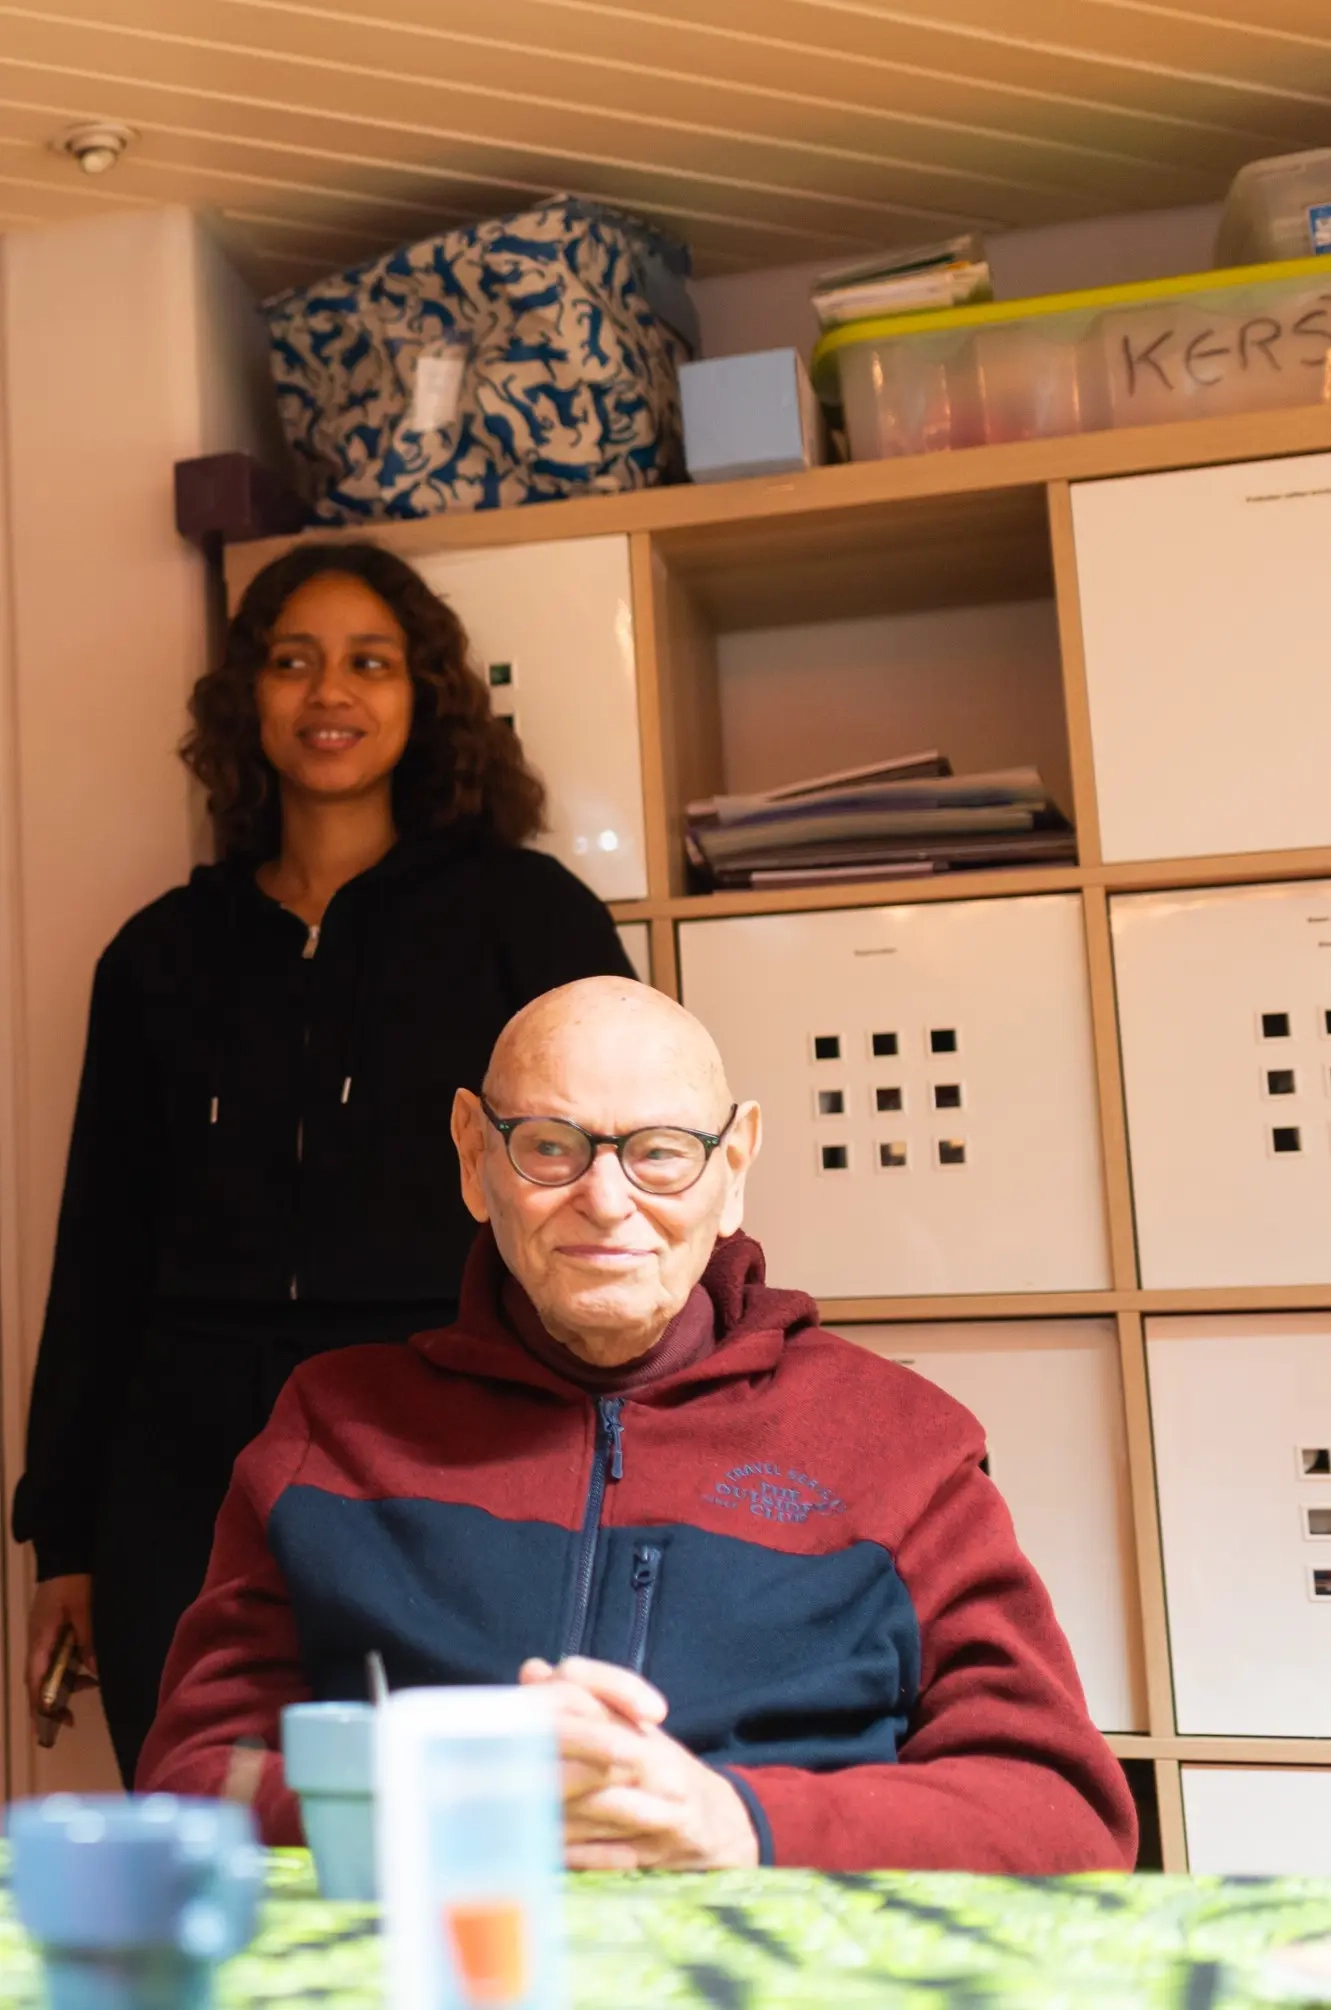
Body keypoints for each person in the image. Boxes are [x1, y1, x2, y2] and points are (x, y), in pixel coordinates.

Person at [138, 977, 1136, 1872]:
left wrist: (741, 1823)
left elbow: (1063, 1813)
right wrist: (447, 1789)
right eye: (549, 1147)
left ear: (732, 1165)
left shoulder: (899, 1443)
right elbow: (192, 1780)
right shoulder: (331, 1430)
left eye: (660, 1153)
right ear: (473, 1156)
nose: (606, 1202)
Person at [16, 545, 634, 1785]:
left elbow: (620, 1198)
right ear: (248, 696)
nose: (328, 692)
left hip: (450, 1434)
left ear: (424, 696)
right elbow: (99, 1254)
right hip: (184, 1466)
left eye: (369, 662)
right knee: (210, 1825)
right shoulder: (158, 956)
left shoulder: (528, 919)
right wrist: (65, 1542)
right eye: (292, 662)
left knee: (458, 1831)